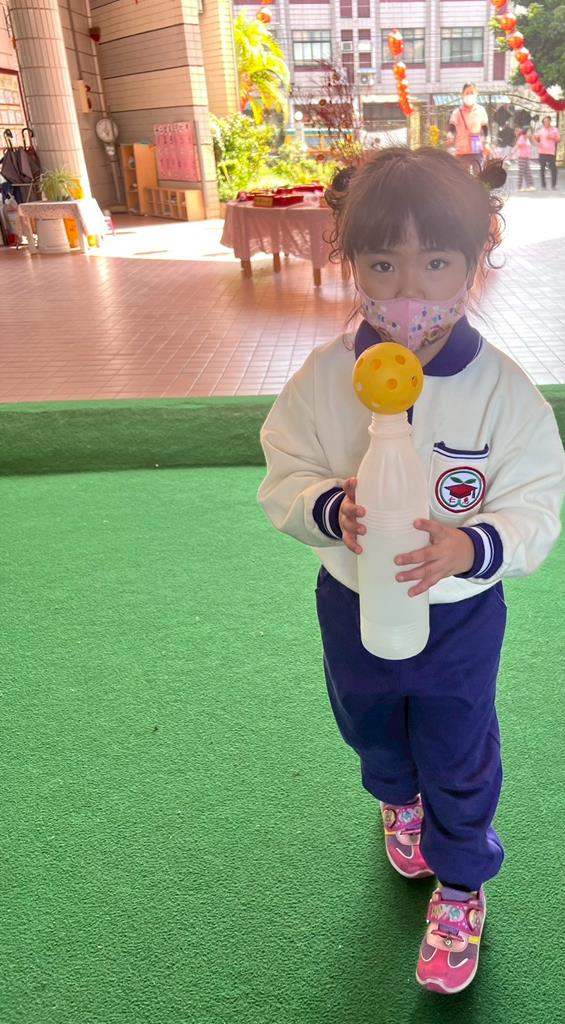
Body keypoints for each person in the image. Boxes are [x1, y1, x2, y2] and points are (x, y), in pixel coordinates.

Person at [258, 147, 565, 996]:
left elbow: (536, 500)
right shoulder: (325, 379)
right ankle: (397, 799)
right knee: (368, 725)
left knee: (458, 749)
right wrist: (329, 508)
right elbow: (284, 468)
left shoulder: (501, 393)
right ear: (349, 262)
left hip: (458, 616)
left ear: (473, 261)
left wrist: (473, 546)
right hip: (353, 601)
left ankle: (460, 884)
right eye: (382, 264)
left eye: (434, 263)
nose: (407, 292)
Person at [446, 83, 490, 172]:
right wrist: (450, 135)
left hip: (477, 151)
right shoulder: (457, 112)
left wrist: (487, 143)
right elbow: (452, 126)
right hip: (461, 152)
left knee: (479, 176)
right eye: (467, 93)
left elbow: (485, 129)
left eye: (472, 92)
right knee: (462, 177)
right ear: (462, 95)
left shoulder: (481, 110)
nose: (469, 95)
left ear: (476, 94)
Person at [533, 115, 561, 189]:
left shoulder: (554, 130)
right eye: (545, 121)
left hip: (551, 152)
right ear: (543, 122)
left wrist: (552, 137)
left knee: (553, 169)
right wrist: (537, 143)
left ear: (550, 121)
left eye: (548, 121)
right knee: (542, 169)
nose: (546, 122)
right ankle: (543, 185)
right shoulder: (540, 130)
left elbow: (559, 139)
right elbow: (534, 137)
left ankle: (553, 185)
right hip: (542, 152)